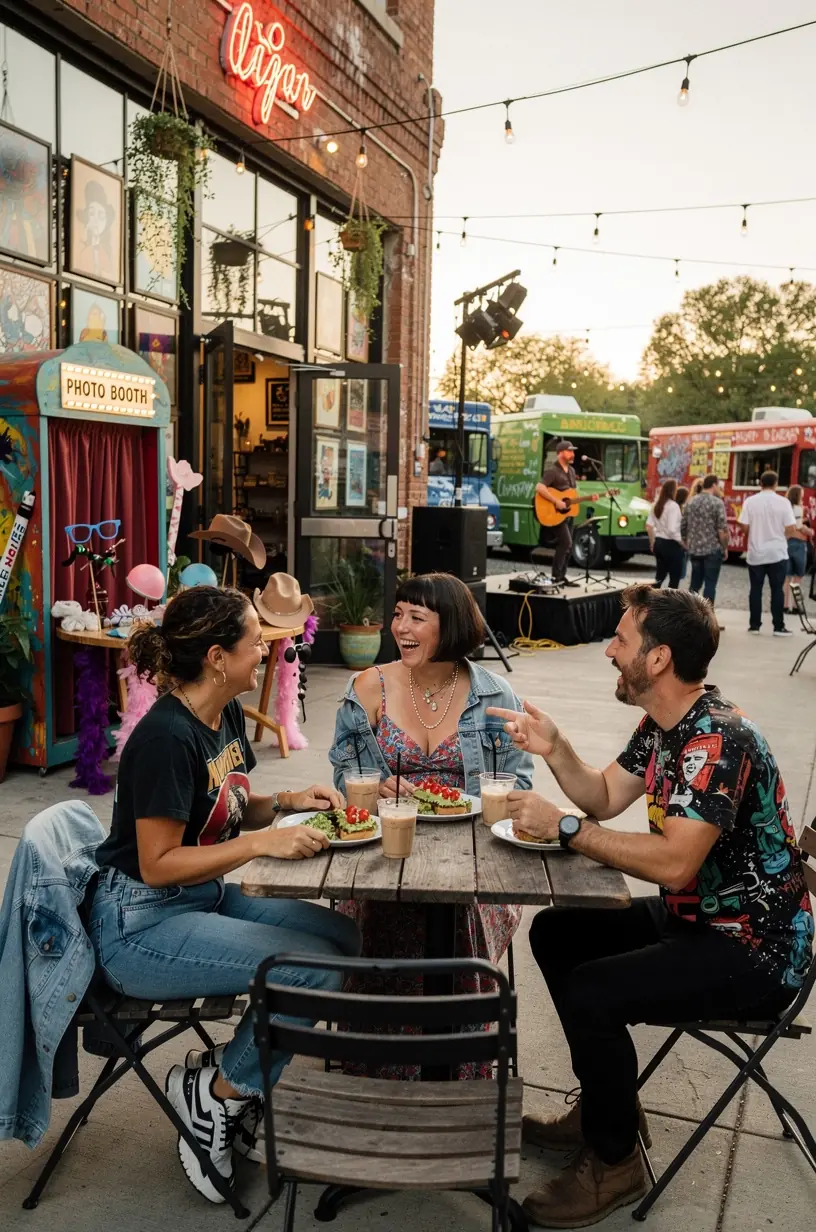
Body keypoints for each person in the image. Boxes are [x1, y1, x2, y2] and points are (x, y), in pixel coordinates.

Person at [488, 586, 812, 1228]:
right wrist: (555, 750)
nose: (610, 649)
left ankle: (615, 1162)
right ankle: (607, 1106)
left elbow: (673, 862)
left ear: (658, 658)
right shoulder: (665, 725)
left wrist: (566, 830)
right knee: (557, 933)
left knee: (593, 991)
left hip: (756, 950)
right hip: (700, 919)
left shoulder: (718, 741)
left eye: (622, 639)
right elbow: (605, 796)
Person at [89, 586, 361, 1205]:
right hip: (139, 926)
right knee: (310, 972)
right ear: (217, 657)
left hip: (199, 896)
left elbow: (229, 807)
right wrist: (260, 848)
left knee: (344, 938)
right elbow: (158, 864)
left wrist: (286, 806)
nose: (267, 650)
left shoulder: (225, 714)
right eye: (255, 641)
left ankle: (224, 1083)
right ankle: (219, 1096)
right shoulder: (164, 738)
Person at [329, 571, 534, 1078]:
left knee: (461, 913)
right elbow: (342, 772)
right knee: (379, 909)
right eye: (398, 614)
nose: (401, 626)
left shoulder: (493, 694)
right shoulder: (367, 688)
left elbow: (519, 784)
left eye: (417, 617)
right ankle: (377, 1062)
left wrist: (466, 801)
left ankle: (456, 1062)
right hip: (384, 849)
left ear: (452, 625)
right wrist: (372, 788)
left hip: (474, 855)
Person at [738, 471, 797, 636]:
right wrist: (780, 536)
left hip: (756, 553)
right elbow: (791, 528)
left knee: (755, 590)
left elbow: (743, 525)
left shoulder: (750, 502)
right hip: (777, 553)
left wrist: (753, 532)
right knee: (777, 590)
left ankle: (754, 625)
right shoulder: (784, 502)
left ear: (760, 484)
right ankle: (778, 626)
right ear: (776, 484)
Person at [536, 438, 600, 587]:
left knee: (569, 546)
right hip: (554, 513)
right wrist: (556, 501)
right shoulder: (552, 471)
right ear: (560, 453)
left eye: (572, 451)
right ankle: (555, 577)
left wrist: (591, 497)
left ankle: (561, 576)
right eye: (569, 451)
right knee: (566, 542)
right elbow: (540, 488)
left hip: (568, 513)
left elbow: (571, 495)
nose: (572, 454)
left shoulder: (571, 471)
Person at [682, 473, 729, 609]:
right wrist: (725, 547)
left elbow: (683, 526)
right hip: (712, 550)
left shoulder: (691, 501)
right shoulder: (716, 503)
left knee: (695, 585)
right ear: (714, 485)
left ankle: (690, 614)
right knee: (710, 584)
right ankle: (708, 617)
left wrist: (687, 542)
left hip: (695, 549)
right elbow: (722, 529)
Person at [646, 478, 683, 588]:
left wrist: (652, 542)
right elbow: (672, 530)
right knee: (674, 577)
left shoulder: (655, 505)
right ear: (673, 491)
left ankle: (651, 600)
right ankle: (670, 603)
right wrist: (682, 542)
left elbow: (649, 526)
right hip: (671, 544)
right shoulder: (673, 506)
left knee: (659, 576)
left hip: (659, 542)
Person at [783, 484, 813, 613]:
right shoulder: (798, 509)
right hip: (799, 544)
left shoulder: (785, 508)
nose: (803, 496)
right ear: (797, 495)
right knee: (798, 577)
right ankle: (796, 606)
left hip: (787, 544)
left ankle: (785, 605)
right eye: (801, 494)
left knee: (787, 577)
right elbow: (799, 526)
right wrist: (810, 531)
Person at [675, 485, 690, 581]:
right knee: (679, 572)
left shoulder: (680, 507)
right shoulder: (678, 508)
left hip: (680, 540)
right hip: (680, 541)